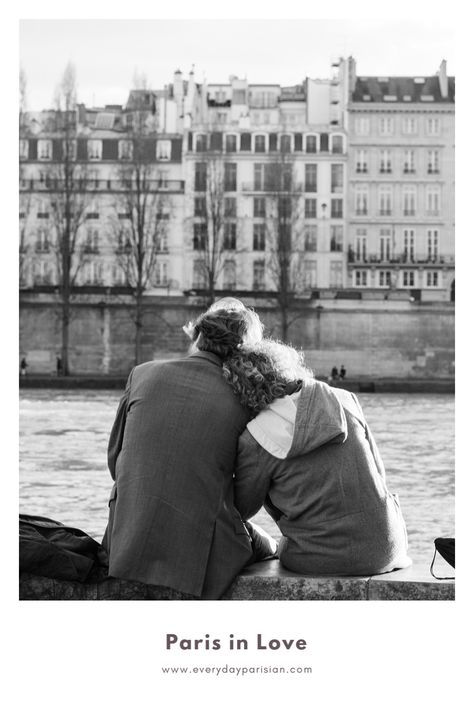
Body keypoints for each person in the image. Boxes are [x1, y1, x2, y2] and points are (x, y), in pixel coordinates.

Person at [103, 299, 276, 599]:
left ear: (197, 336)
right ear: (244, 350)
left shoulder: (142, 374)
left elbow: (114, 460)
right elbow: (246, 502)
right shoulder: (247, 398)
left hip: (125, 541)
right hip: (199, 556)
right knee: (271, 547)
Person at [223, 339, 411, 577]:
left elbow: (242, 509)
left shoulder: (255, 439)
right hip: (387, 548)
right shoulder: (344, 399)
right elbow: (379, 474)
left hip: (318, 557)